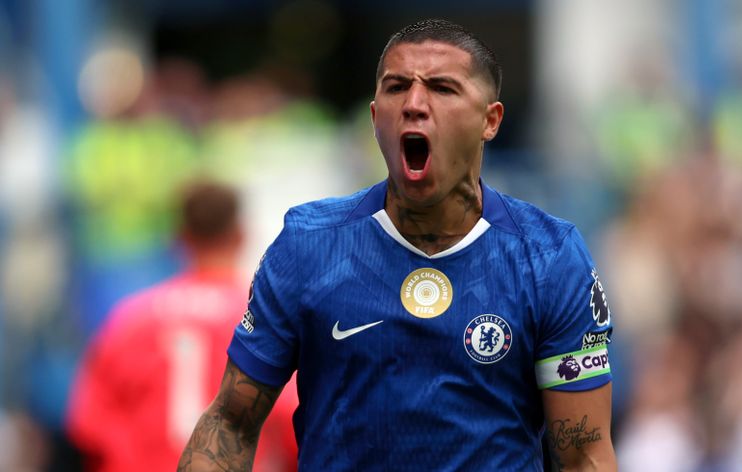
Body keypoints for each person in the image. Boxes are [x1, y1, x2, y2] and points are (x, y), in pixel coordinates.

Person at [179, 19, 616, 471]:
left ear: (490, 120)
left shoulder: (549, 257)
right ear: (374, 118)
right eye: (396, 88)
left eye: (442, 88)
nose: (413, 104)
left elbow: (583, 454)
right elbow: (230, 423)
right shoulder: (309, 246)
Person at [67, 181, 298, 472]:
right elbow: (293, 422)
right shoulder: (264, 315)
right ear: (241, 235)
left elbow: (88, 427)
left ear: (180, 238)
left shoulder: (131, 319)